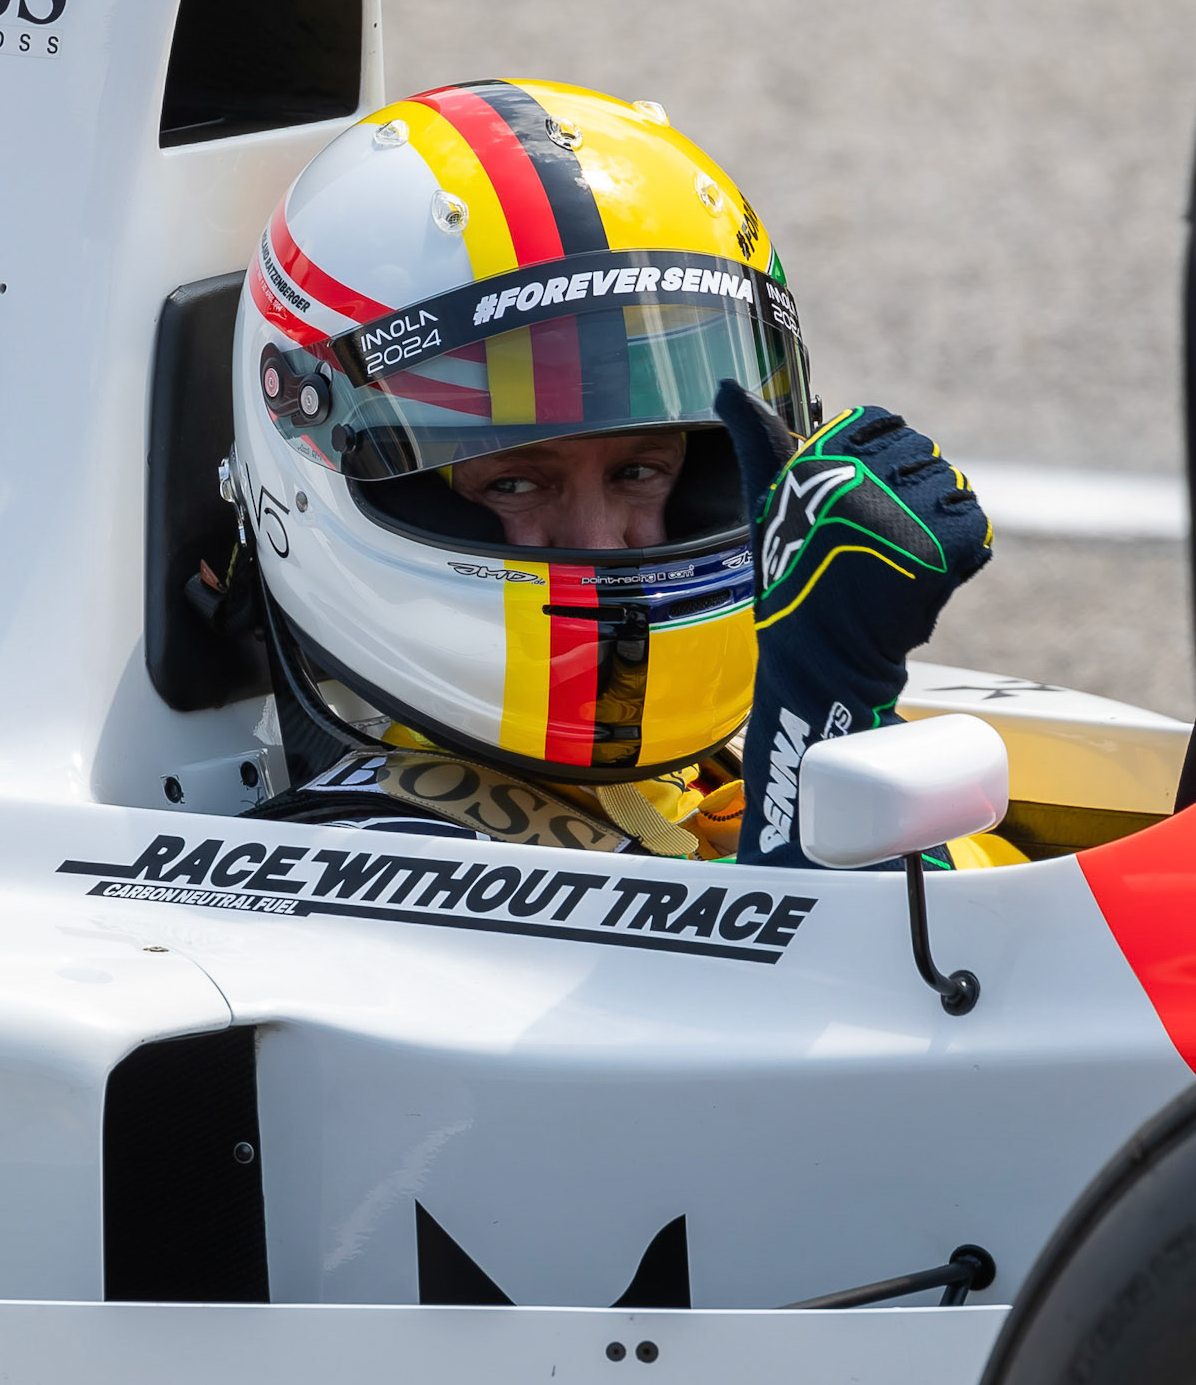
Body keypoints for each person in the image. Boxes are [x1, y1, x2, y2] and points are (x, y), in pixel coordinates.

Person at [225, 78, 1017, 867]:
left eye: (639, 469)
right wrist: (822, 698)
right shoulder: (351, 863)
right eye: (514, 483)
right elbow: (825, 952)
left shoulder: (731, 763)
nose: (602, 540)